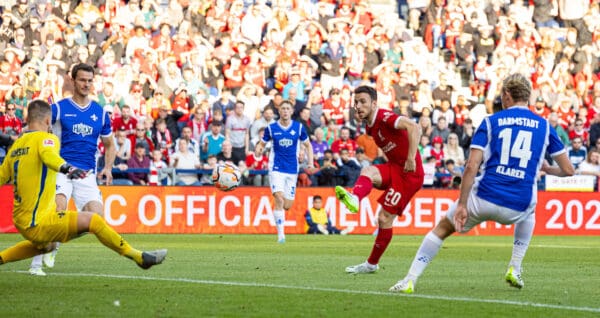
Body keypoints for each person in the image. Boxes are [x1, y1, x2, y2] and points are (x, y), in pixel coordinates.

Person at [390, 73, 575, 294]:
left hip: (484, 197)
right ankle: (514, 267)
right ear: (528, 97)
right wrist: (546, 168)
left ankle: (410, 279)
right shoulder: (544, 126)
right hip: (519, 204)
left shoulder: (490, 121)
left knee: (440, 230)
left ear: (506, 95)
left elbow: (471, 166)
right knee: (531, 209)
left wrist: (462, 204)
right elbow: (568, 170)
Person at [0, 100, 166, 272]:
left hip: (22, 220)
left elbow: (2, 176)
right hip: (41, 221)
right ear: (49, 120)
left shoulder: (15, 147)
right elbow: (48, 155)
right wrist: (67, 168)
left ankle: (2, 258)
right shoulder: (47, 139)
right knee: (93, 220)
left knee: (46, 246)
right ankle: (139, 257)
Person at [30, 63, 117, 276]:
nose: (86, 84)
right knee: (57, 210)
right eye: (82, 80)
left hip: (86, 174)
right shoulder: (59, 108)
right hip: (62, 170)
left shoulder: (101, 112)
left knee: (95, 218)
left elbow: (110, 144)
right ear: (73, 80)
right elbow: (37, 126)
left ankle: (56, 242)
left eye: (89, 80)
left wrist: (107, 167)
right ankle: (35, 264)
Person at [336, 85, 424, 274]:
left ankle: (371, 264)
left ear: (374, 104)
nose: (358, 106)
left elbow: (413, 126)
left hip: (409, 174)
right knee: (367, 170)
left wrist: (410, 157)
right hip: (395, 168)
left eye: (363, 102)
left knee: (384, 218)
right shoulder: (370, 126)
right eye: (356, 102)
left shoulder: (384, 117)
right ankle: (355, 199)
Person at [257, 100, 314, 243]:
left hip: (292, 170)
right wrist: (258, 149)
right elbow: (262, 144)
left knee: (287, 205)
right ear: (279, 111)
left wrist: (310, 162)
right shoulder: (271, 128)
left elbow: (308, 145)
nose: (285, 111)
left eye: (288, 108)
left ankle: (280, 225)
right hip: (276, 168)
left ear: (292, 111)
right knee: (279, 198)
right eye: (283, 108)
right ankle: (281, 235)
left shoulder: (299, 127)